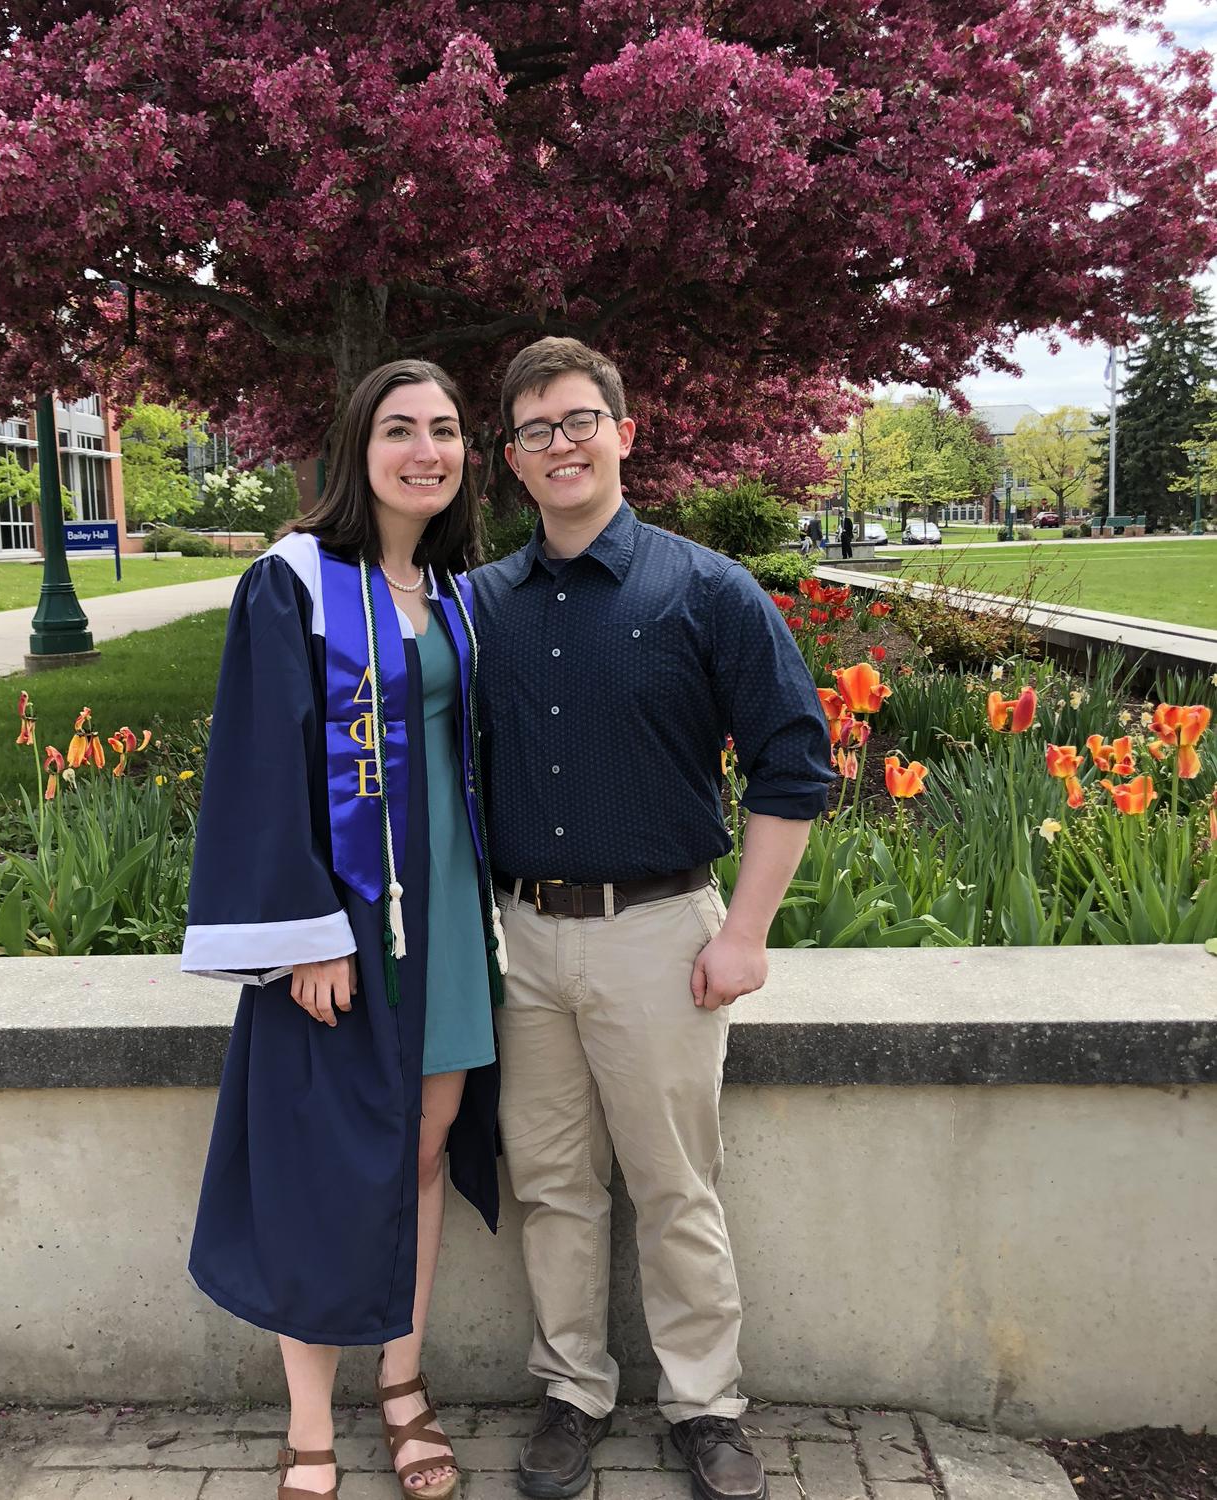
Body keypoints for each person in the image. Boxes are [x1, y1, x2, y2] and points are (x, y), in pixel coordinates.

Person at [471, 337, 833, 1500]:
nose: (560, 445)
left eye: (579, 420)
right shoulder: (480, 608)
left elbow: (793, 766)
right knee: (554, 1185)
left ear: (625, 433)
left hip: (659, 934)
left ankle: (704, 1405)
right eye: (535, 432)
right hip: (520, 940)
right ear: (514, 463)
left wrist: (747, 935)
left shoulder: (708, 590)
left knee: (677, 1185)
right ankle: (574, 1389)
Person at [181, 360, 506, 1500]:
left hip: (450, 923)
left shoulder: (460, 591)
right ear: (357, 448)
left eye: (448, 431)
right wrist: (308, 933)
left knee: (421, 1147)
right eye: (401, 429)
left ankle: (403, 1383)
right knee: (329, 1168)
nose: (427, 450)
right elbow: (261, 767)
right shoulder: (296, 583)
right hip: (346, 927)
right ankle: (308, 1418)